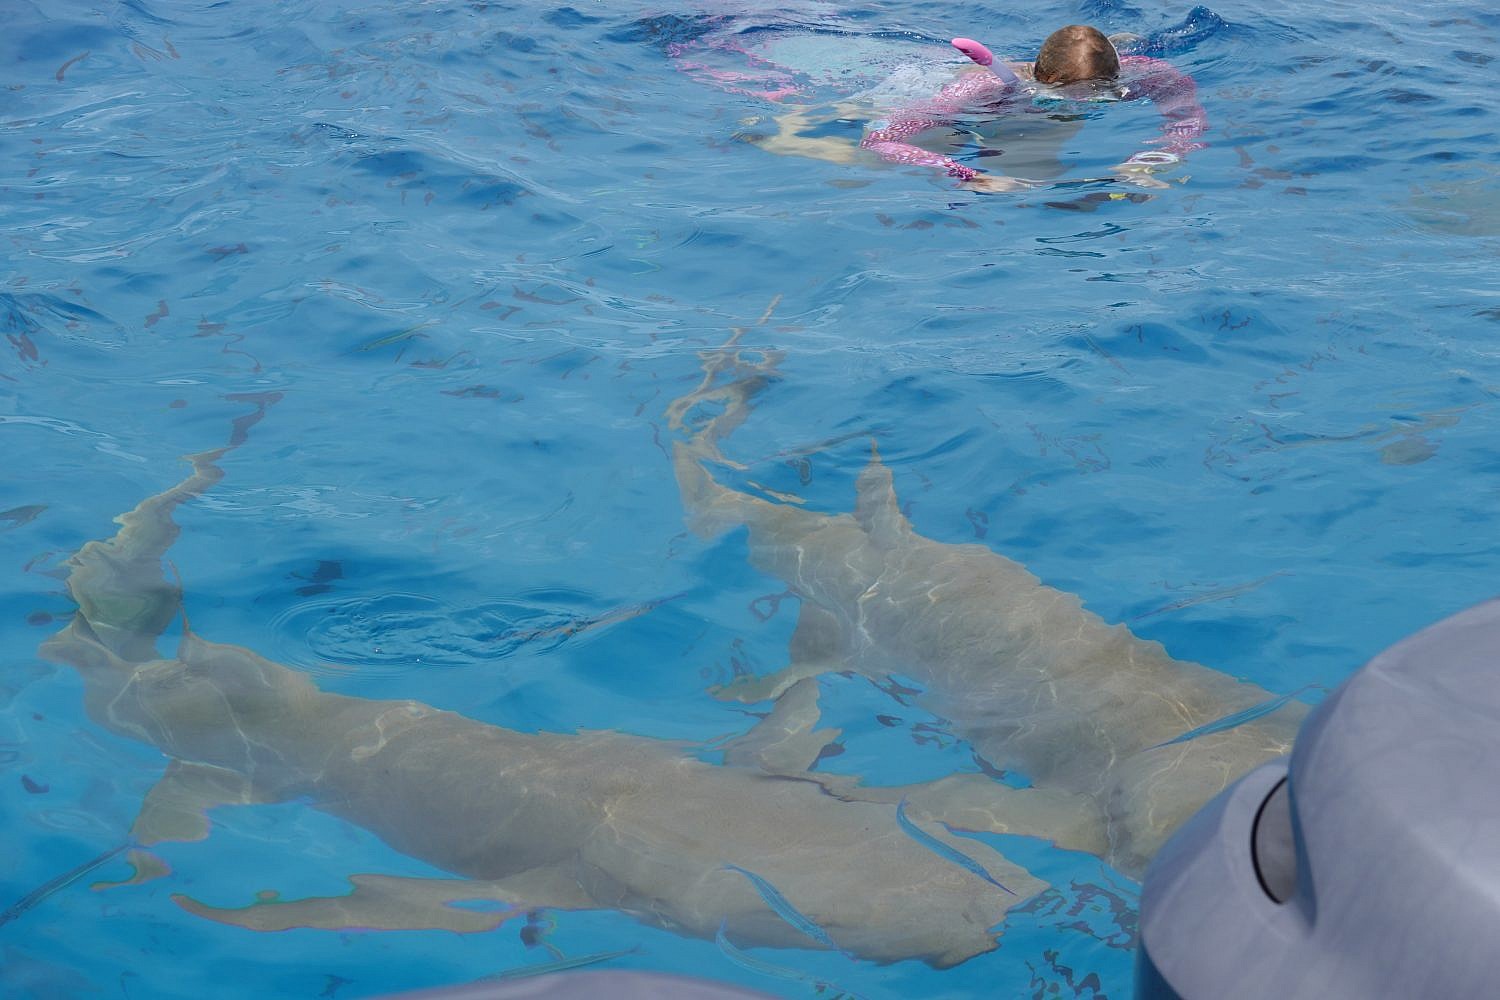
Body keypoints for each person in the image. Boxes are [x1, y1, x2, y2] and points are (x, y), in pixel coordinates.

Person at [754, 25, 1207, 193]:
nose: (1087, 106)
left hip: (1023, 115)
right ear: (1042, 78)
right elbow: (882, 140)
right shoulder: (977, 87)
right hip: (952, 102)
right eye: (1076, 95)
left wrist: (1154, 159)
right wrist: (968, 174)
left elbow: (1188, 117)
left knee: (1037, 176)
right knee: (866, 161)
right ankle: (780, 127)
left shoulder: (1148, 73)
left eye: (1098, 94)